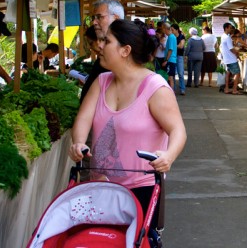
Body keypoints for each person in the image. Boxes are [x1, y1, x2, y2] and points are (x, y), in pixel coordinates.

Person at [68, 19, 187, 233]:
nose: (100, 46)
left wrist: (169, 156)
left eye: (107, 41)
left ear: (125, 50)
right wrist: (78, 143)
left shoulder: (155, 88)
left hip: (141, 191)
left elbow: (178, 130)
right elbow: (84, 119)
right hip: (101, 187)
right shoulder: (101, 81)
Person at [81, 0, 124, 101]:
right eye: (93, 18)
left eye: (99, 17)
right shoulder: (102, 71)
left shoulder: (149, 83)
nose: (94, 22)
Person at [220, 22, 241, 95]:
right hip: (231, 59)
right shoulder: (227, 37)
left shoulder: (223, 36)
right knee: (237, 74)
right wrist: (237, 53)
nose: (231, 29)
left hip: (227, 59)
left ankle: (226, 88)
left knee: (228, 73)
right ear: (226, 28)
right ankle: (234, 90)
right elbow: (231, 49)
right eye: (230, 28)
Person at [163, 23, 178, 93]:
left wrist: (166, 60)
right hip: (171, 59)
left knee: (170, 77)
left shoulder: (171, 37)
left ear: (166, 29)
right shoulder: (171, 37)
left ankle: (171, 92)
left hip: (170, 60)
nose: (163, 31)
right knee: (170, 77)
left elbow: (170, 49)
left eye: (163, 29)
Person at [172, 23, 186, 95]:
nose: (171, 31)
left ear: (176, 30)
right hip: (173, 56)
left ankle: (182, 89)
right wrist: (177, 45)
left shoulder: (181, 36)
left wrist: (173, 46)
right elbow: (179, 45)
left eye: (173, 30)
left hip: (179, 56)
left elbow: (181, 46)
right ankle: (173, 89)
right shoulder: (171, 36)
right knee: (173, 73)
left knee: (180, 73)